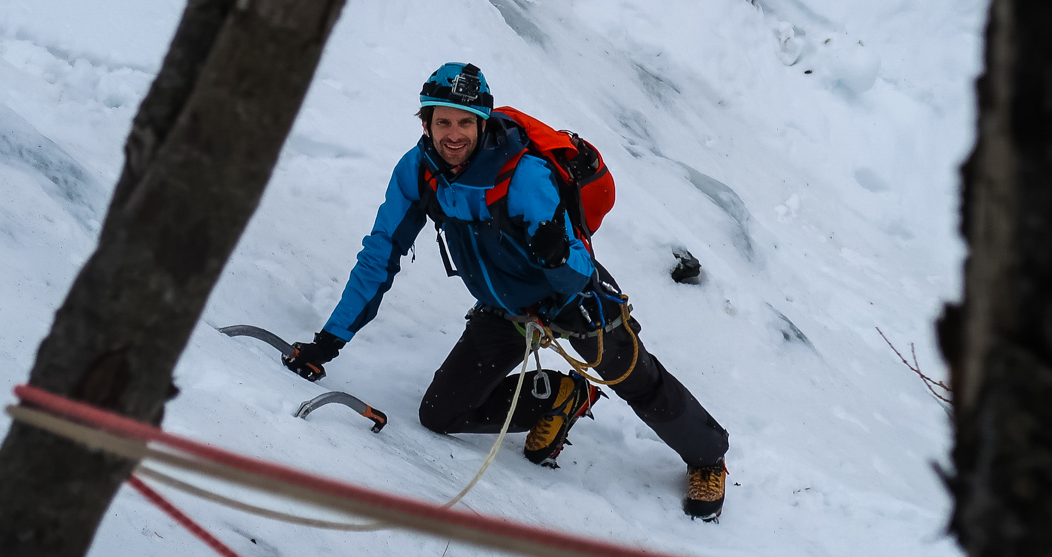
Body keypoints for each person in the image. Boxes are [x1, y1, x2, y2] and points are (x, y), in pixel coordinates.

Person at [283, 63, 732, 520]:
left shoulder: (525, 176)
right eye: (442, 121)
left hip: (572, 301)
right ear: (425, 123)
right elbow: (380, 254)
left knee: (637, 380)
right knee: (440, 415)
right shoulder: (418, 172)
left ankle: (708, 457)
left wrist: (556, 258)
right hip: (503, 309)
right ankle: (560, 398)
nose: (453, 135)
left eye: (464, 122)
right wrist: (329, 341)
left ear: (481, 123)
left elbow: (577, 265)